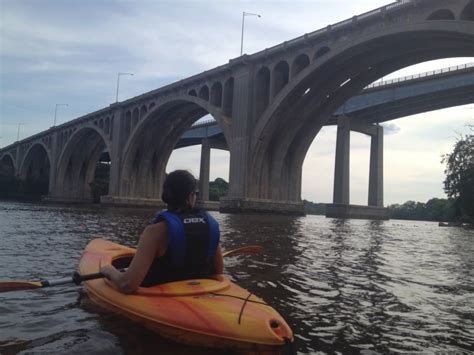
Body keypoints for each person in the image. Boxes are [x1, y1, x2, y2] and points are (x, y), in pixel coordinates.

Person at [101, 170, 224, 294]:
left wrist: (109, 271)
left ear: (166, 195)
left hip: (162, 296)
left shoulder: (155, 232)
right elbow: (218, 271)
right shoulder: (209, 226)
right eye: (196, 193)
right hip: (199, 293)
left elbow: (127, 284)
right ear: (191, 195)